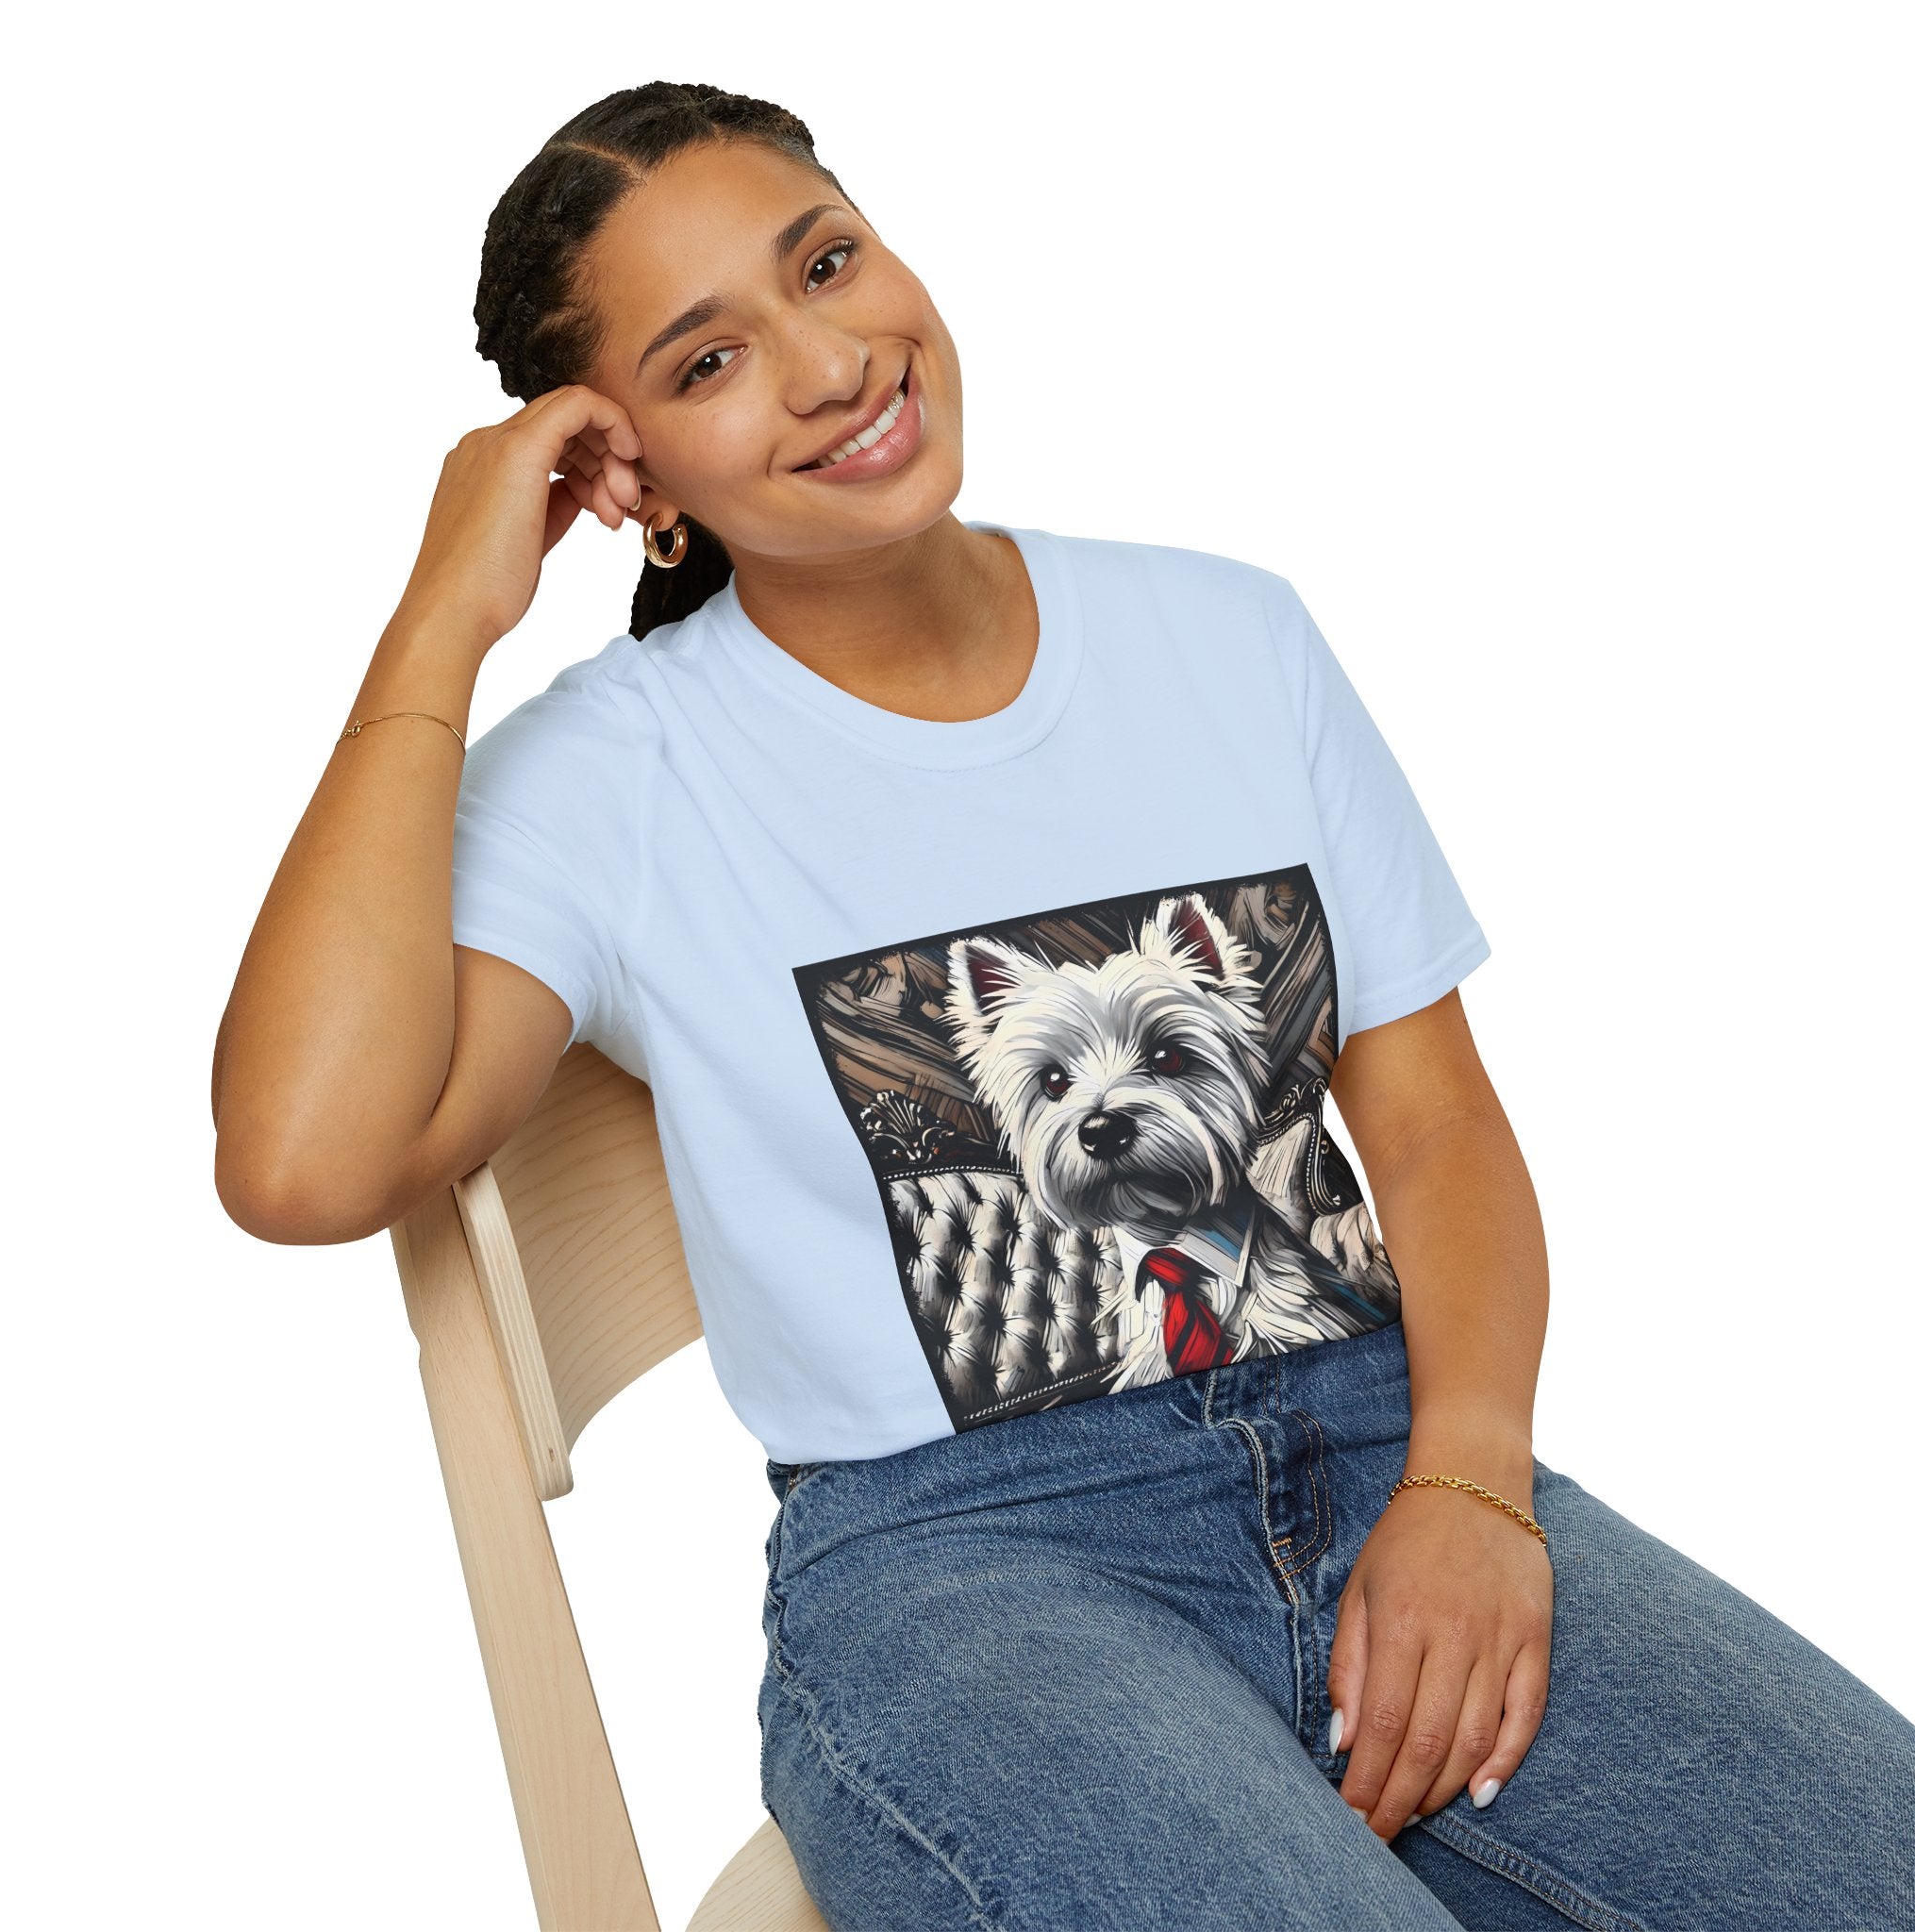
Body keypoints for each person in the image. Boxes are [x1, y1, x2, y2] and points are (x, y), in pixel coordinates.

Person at [211, 80, 1915, 1931]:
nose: (828, 361)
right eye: (708, 362)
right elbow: (303, 1159)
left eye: (828, 263)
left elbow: (1430, 1127)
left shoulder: (1228, 637)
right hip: (967, 1568)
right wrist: (438, 619)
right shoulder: (617, 773)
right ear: (630, 480)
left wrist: (1473, 1486)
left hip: (1387, 1443)